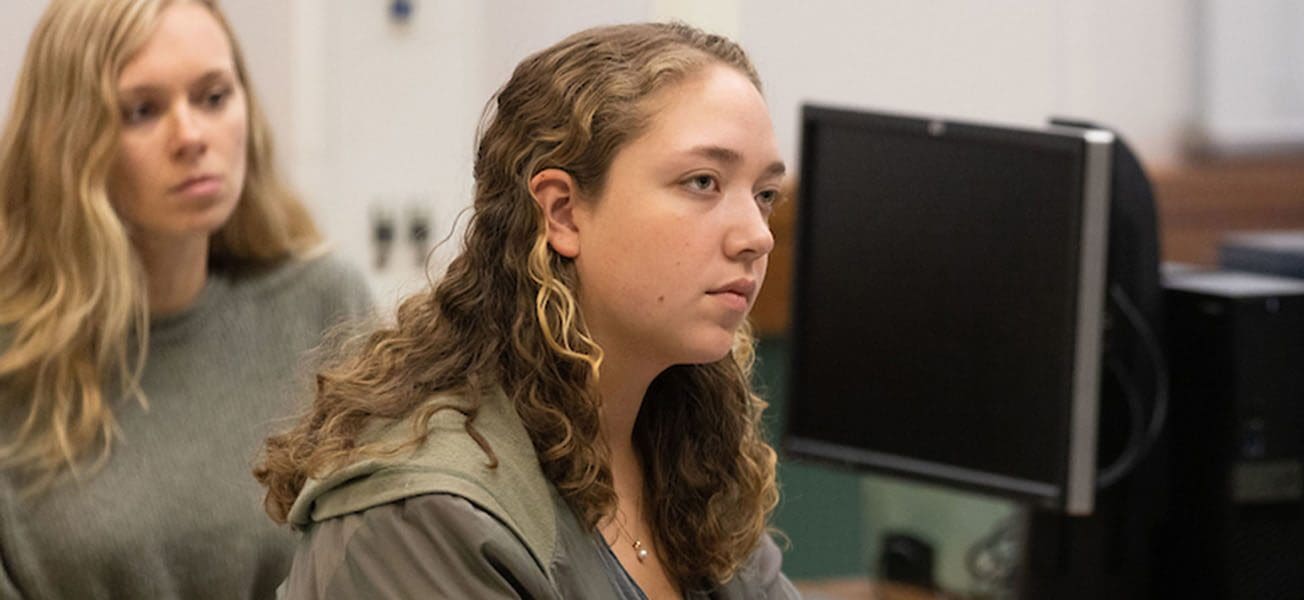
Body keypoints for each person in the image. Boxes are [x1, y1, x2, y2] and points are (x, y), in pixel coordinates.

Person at [256, 22, 800, 599]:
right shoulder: (425, 514)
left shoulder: (682, 442)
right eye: (702, 182)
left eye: (764, 195)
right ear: (563, 213)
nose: (757, 236)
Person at [0, 0, 372, 597]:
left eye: (213, 97)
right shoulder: (15, 358)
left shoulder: (323, 305)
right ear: (67, 142)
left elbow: (382, 558)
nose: (191, 136)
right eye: (142, 110)